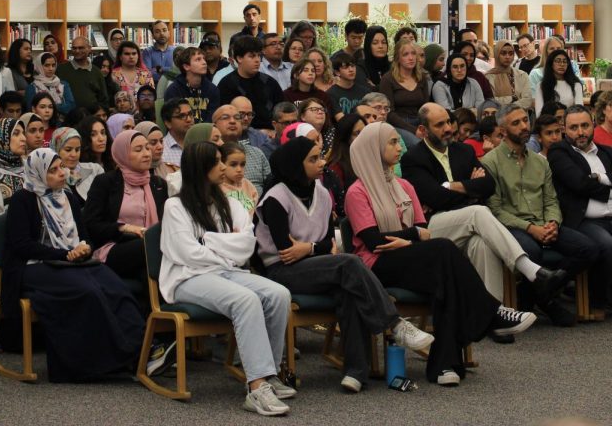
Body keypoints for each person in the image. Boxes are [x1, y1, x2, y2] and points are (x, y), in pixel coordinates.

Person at [345, 122, 535, 385]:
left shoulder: (404, 185)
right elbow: (374, 241)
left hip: (410, 258)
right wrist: (412, 236)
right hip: (376, 266)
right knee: (444, 250)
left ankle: (445, 367)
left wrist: (410, 238)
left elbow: (424, 230)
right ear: (373, 148)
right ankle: (491, 314)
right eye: (392, 142)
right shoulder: (357, 191)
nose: (399, 147)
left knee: (445, 282)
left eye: (399, 141)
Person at [257, 136, 434, 392]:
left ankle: (355, 372)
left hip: (318, 266)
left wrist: (308, 248)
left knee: (348, 290)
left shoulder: (321, 193)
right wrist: (313, 249)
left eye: (321, 156)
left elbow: (328, 240)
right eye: (313, 159)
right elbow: (285, 251)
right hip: (281, 272)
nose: (321, 163)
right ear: (296, 164)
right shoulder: (276, 198)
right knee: (349, 264)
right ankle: (394, 324)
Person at [158, 141, 295, 416]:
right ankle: (256, 388)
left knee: (280, 294)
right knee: (246, 300)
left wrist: (207, 241)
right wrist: (224, 248)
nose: (223, 167)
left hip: (226, 272)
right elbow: (185, 252)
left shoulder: (229, 203)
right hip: (187, 278)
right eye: (217, 162)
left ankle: (268, 373)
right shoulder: (175, 206)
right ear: (200, 168)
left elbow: (246, 244)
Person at [403, 103, 568, 317]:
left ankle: (492, 317)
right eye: (439, 125)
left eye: (448, 122)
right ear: (423, 130)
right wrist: (468, 188)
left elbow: (487, 186)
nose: (448, 129)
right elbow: (434, 197)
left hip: (470, 224)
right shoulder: (413, 158)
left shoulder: (463, 150)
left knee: (482, 245)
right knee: (479, 212)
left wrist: (451, 186)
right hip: (434, 225)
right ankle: (531, 270)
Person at [2, 148, 144, 382]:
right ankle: (99, 362)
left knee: (114, 286)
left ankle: (140, 351)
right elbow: (21, 245)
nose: (62, 173)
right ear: (37, 173)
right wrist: (64, 254)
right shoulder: (23, 199)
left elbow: (83, 233)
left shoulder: (66, 196)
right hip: (33, 266)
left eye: (61, 168)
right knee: (88, 291)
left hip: (71, 261)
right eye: (54, 170)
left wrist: (85, 246)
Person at [480, 104, 598, 326]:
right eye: (516, 123)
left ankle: (539, 294)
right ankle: (547, 300)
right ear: (503, 131)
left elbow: (551, 200)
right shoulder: (490, 162)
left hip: (544, 224)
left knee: (588, 248)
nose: (524, 126)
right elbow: (495, 211)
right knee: (531, 250)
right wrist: (530, 229)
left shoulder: (539, 161)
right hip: (513, 226)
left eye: (525, 120)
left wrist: (553, 222)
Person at [548, 105, 612, 320]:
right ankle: (597, 301)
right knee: (607, 247)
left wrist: (598, 178)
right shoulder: (559, 152)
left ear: (593, 125)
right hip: (586, 221)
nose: (580, 132)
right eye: (574, 127)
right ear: (565, 129)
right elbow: (579, 184)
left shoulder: (607, 152)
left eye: (584, 125)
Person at [84, 129, 167, 284]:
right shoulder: (105, 182)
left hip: (150, 247)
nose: (147, 153)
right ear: (122, 154)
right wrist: (124, 228)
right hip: (114, 246)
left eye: (147, 148)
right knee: (152, 245)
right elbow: (92, 225)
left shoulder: (158, 184)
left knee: (153, 258)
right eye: (138, 149)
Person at [216, 36, 284, 131]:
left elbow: (282, 113)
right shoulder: (226, 84)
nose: (257, 60)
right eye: (252, 56)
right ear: (239, 58)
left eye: (258, 56)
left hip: (270, 134)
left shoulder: (270, 83)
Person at [212, 104, 271, 192]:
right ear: (214, 126)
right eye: (225, 117)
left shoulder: (257, 153)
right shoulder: (210, 156)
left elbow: (270, 186)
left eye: (237, 117)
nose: (232, 121)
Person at [379, 40, 431, 132]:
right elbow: (389, 113)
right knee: (417, 143)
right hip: (398, 125)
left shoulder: (421, 77)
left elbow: (425, 107)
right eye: (405, 54)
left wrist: (424, 127)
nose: (411, 58)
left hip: (420, 122)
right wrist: (414, 130)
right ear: (398, 58)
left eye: (413, 53)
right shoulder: (387, 79)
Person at [159, 46, 219, 124]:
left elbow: (213, 118)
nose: (204, 62)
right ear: (186, 66)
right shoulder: (173, 90)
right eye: (198, 59)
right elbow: (174, 121)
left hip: (205, 132)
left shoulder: (212, 89)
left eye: (204, 58)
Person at [57, 36, 108, 114]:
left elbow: (103, 98)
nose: (77, 51)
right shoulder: (61, 69)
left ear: (89, 49)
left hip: (91, 118)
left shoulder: (96, 72)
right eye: (74, 48)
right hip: (67, 118)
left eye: (81, 48)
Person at [53, 126, 102, 200]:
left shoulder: (95, 170)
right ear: (56, 149)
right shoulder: (50, 176)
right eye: (68, 150)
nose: (74, 154)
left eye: (77, 150)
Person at [25, 51, 76, 120]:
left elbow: (71, 106)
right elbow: (31, 110)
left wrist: (47, 107)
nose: (51, 69)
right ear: (39, 66)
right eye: (47, 65)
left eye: (53, 65)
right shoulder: (32, 87)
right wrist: (59, 107)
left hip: (63, 123)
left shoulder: (63, 84)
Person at [535, 49, 586, 115]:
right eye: (558, 61)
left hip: (569, 122)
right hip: (549, 122)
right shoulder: (541, 86)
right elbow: (539, 113)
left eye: (565, 61)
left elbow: (579, 111)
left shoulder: (576, 85)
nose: (562, 64)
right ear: (551, 64)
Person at [486, 39, 533, 110]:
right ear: (496, 54)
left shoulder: (522, 75)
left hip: (520, 117)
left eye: (511, 53)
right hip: (498, 118)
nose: (507, 57)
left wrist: (508, 106)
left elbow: (527, 101)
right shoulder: (488, 77)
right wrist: (513, 98)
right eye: (503, 53)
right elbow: (491, 102)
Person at [220, 142, 258, 213]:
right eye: (233, 165)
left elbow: (253, 204)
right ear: (222, 164)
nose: (239, 169)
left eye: (242, 164)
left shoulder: (246, 184)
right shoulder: (218, 188)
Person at [329, 50, 370, 116]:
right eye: (345, 67)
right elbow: (340, 120)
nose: (351, 70)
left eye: (352, 66)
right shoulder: (331, 94)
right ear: (337, 72)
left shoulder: (365, 91)